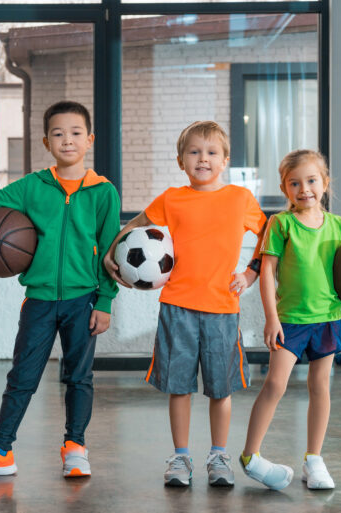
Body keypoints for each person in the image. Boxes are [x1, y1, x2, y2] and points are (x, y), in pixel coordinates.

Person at [0, 101, 121, 479]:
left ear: (89, 139)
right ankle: (0, 450)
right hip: (39, 300)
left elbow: (110, 252)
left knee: (79, 377)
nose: (67, 140)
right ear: (46, 141)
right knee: (22, 377)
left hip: (83, 300)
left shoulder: (103, 192)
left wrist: (105, 301)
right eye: (58, 134)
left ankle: (75, 447)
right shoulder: (32, 186)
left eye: (75, 133)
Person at [104, 121, 267, 487]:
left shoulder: (240, 199)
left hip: (223, 309)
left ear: (225, 160)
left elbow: (270, 236)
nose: (202, 159)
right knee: (179, 387)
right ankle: (180, 458)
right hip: (177, 307)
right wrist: (111, 252)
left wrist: (250, 274)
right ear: (180, 160)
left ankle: (218, 455)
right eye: (194, 152)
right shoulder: (171, 199)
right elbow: (136, 225)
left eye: (211, 153)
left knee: (220, 388)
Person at [239, 149, 341, 491]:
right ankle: (250, 455)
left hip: (328, 319)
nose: (304, 189)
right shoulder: (281, 224)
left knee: (320, 387)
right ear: (285, 189)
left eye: (311, 180)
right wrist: (271, 318)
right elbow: (266, 274)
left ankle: (314, 459)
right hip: (290, 321)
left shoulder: (339, 226)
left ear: (324, 183)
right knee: (276, 385)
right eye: (294, 183)